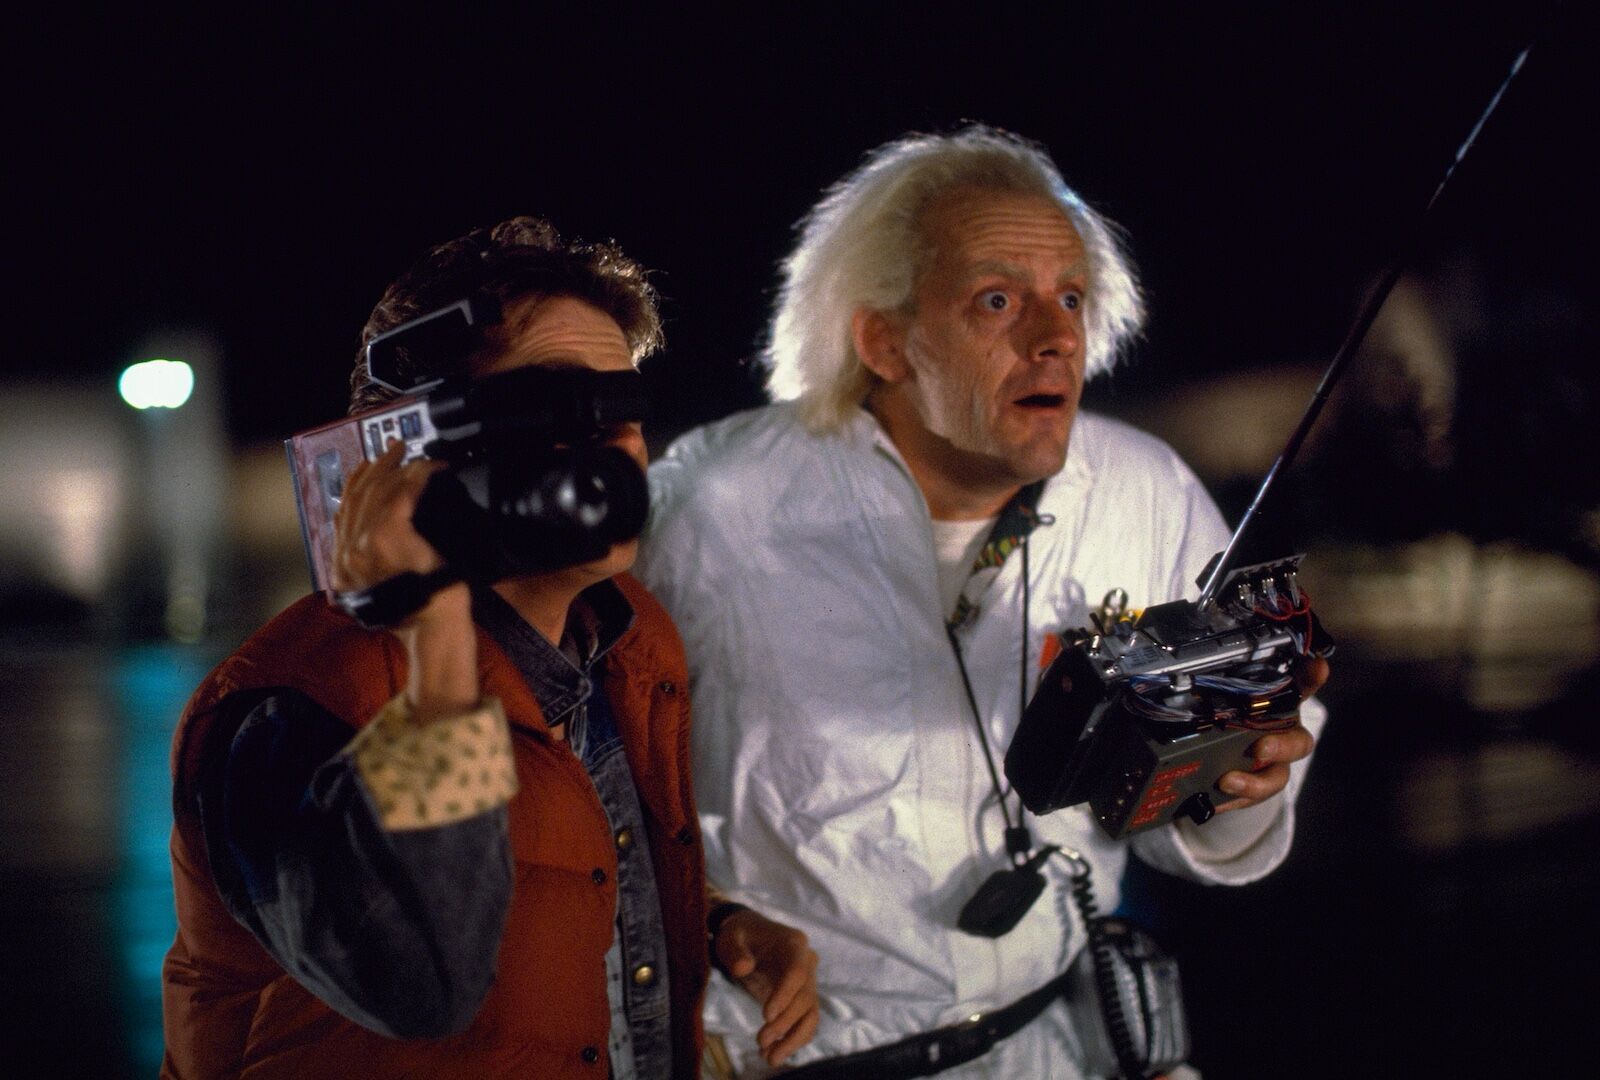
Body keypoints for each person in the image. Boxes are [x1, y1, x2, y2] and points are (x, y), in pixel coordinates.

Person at [636, 127, 1328, 1078]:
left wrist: (1242, 782)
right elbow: (594, 796)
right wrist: (717, 920)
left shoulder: (1144, 493)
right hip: (790, 1058)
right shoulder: (712, 507)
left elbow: (1206, 833)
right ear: (885, 341)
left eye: (1072, 297)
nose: (1056, 337)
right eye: (997, 300)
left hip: (1057, 1045)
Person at [161, 216, 817, 1079]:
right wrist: (433, 639)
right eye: (553, 408)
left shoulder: (629, 635)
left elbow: (569, 869)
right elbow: (416, 983)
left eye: (620, 406)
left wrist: (716, 923)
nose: (613, 444)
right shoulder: (290, 706)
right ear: (417, 452)